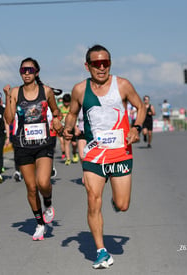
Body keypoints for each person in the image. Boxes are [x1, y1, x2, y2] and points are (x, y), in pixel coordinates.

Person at [63, 45, 146, 269]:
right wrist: (67, 128)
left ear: (110, 63)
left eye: (105, 63)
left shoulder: (123, 85)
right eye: (96, 64)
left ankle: (116, 199)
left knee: (123, 204)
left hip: (120, 152)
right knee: (93, 201)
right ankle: (101, 251)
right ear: (87, 66)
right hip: (94, 154)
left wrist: (137, 127)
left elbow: (141, 107)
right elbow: (71, 114)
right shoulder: (80, 90)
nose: (101, 68)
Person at [3, 57, 63, 241]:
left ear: (37, 72)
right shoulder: (15, 92)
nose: (26, 73)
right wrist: (7, 97)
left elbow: (56, 111)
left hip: (43, 143)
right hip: (23, 145)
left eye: (30, 70)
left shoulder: (46, 91)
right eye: (23, 70)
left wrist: (56, 120)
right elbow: (9, 119)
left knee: (43, 183)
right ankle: (40, 224)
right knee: (31, 187)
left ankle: (48, 203)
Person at [59, 93, 78, 165]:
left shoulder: (72, 108)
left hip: (72, 127)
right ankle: (68, 159)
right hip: (64, 127)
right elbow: (59, 117)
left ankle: (74, 153)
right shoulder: (61, 108)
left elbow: (75, 118)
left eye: (68, 102)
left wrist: (76, 128)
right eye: (65, 102)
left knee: (74, 143)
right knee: (66, 143)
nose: (66, 103)